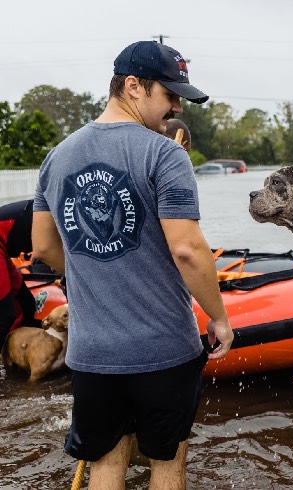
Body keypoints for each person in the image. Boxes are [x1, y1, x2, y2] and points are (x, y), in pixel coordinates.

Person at [31, 40, 234, 489]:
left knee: (105, 467)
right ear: (133, 86)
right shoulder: (166, 154)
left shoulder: (56, 157)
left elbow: (42, 247)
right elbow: (188, 249)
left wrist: (93, 269)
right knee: (167, 465)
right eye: (170, 94)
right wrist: (219, 318)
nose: (177, 105)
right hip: (164, 349)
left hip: (92, 353)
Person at [0, 199, 36, 348]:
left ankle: (22, 350)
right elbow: (44, 251)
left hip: (5, 249)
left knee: (26, 303)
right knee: (6, 314)